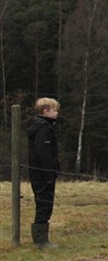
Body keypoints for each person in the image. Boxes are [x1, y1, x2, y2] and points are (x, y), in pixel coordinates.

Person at [28, 97, 61, 250]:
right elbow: (44, 154)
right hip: (42, 174)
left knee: (44, 203)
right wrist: (49, 175)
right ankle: (41, 240)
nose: (57, 113)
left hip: (39, 172)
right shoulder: (43, 128)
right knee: (44, 203)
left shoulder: (43, 126)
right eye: (54, 110)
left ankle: (42, 238)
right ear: (45, 111)